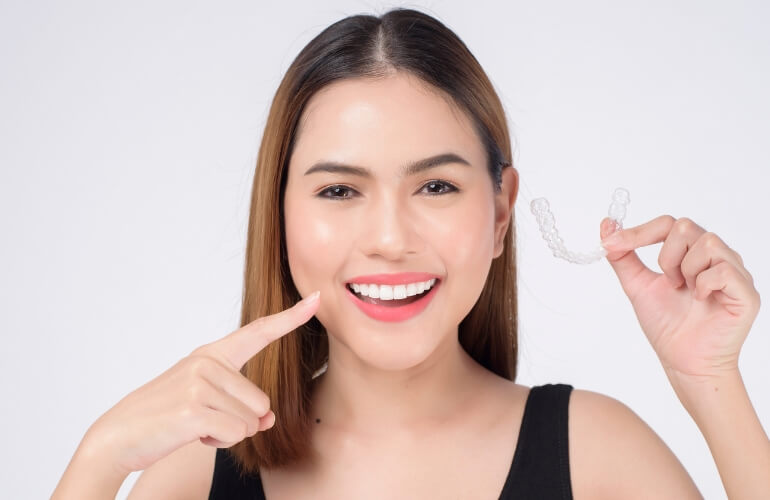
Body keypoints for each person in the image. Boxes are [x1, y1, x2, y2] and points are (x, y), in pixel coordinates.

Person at [51, 7, 768, 500]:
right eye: (338, 191)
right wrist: (99, 458)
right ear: (279, 216)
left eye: (434, 185)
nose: (390, 239)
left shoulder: (596, 453)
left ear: (499, 213)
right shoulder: (198, 470)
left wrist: (712, 380)